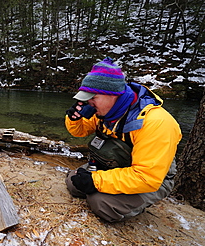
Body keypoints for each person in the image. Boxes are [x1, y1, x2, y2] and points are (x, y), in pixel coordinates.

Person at [65, 57, 182, 222]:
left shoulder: (157, 122)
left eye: (92, 97)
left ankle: (136, 204)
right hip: (117, 165)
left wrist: (95, 181)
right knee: (73, 182)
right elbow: (79, 132)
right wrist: (74, 119)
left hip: (151, 179)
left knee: (101, 203)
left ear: (113, 95)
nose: (87, 102)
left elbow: (146, 177)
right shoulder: (102, 110)